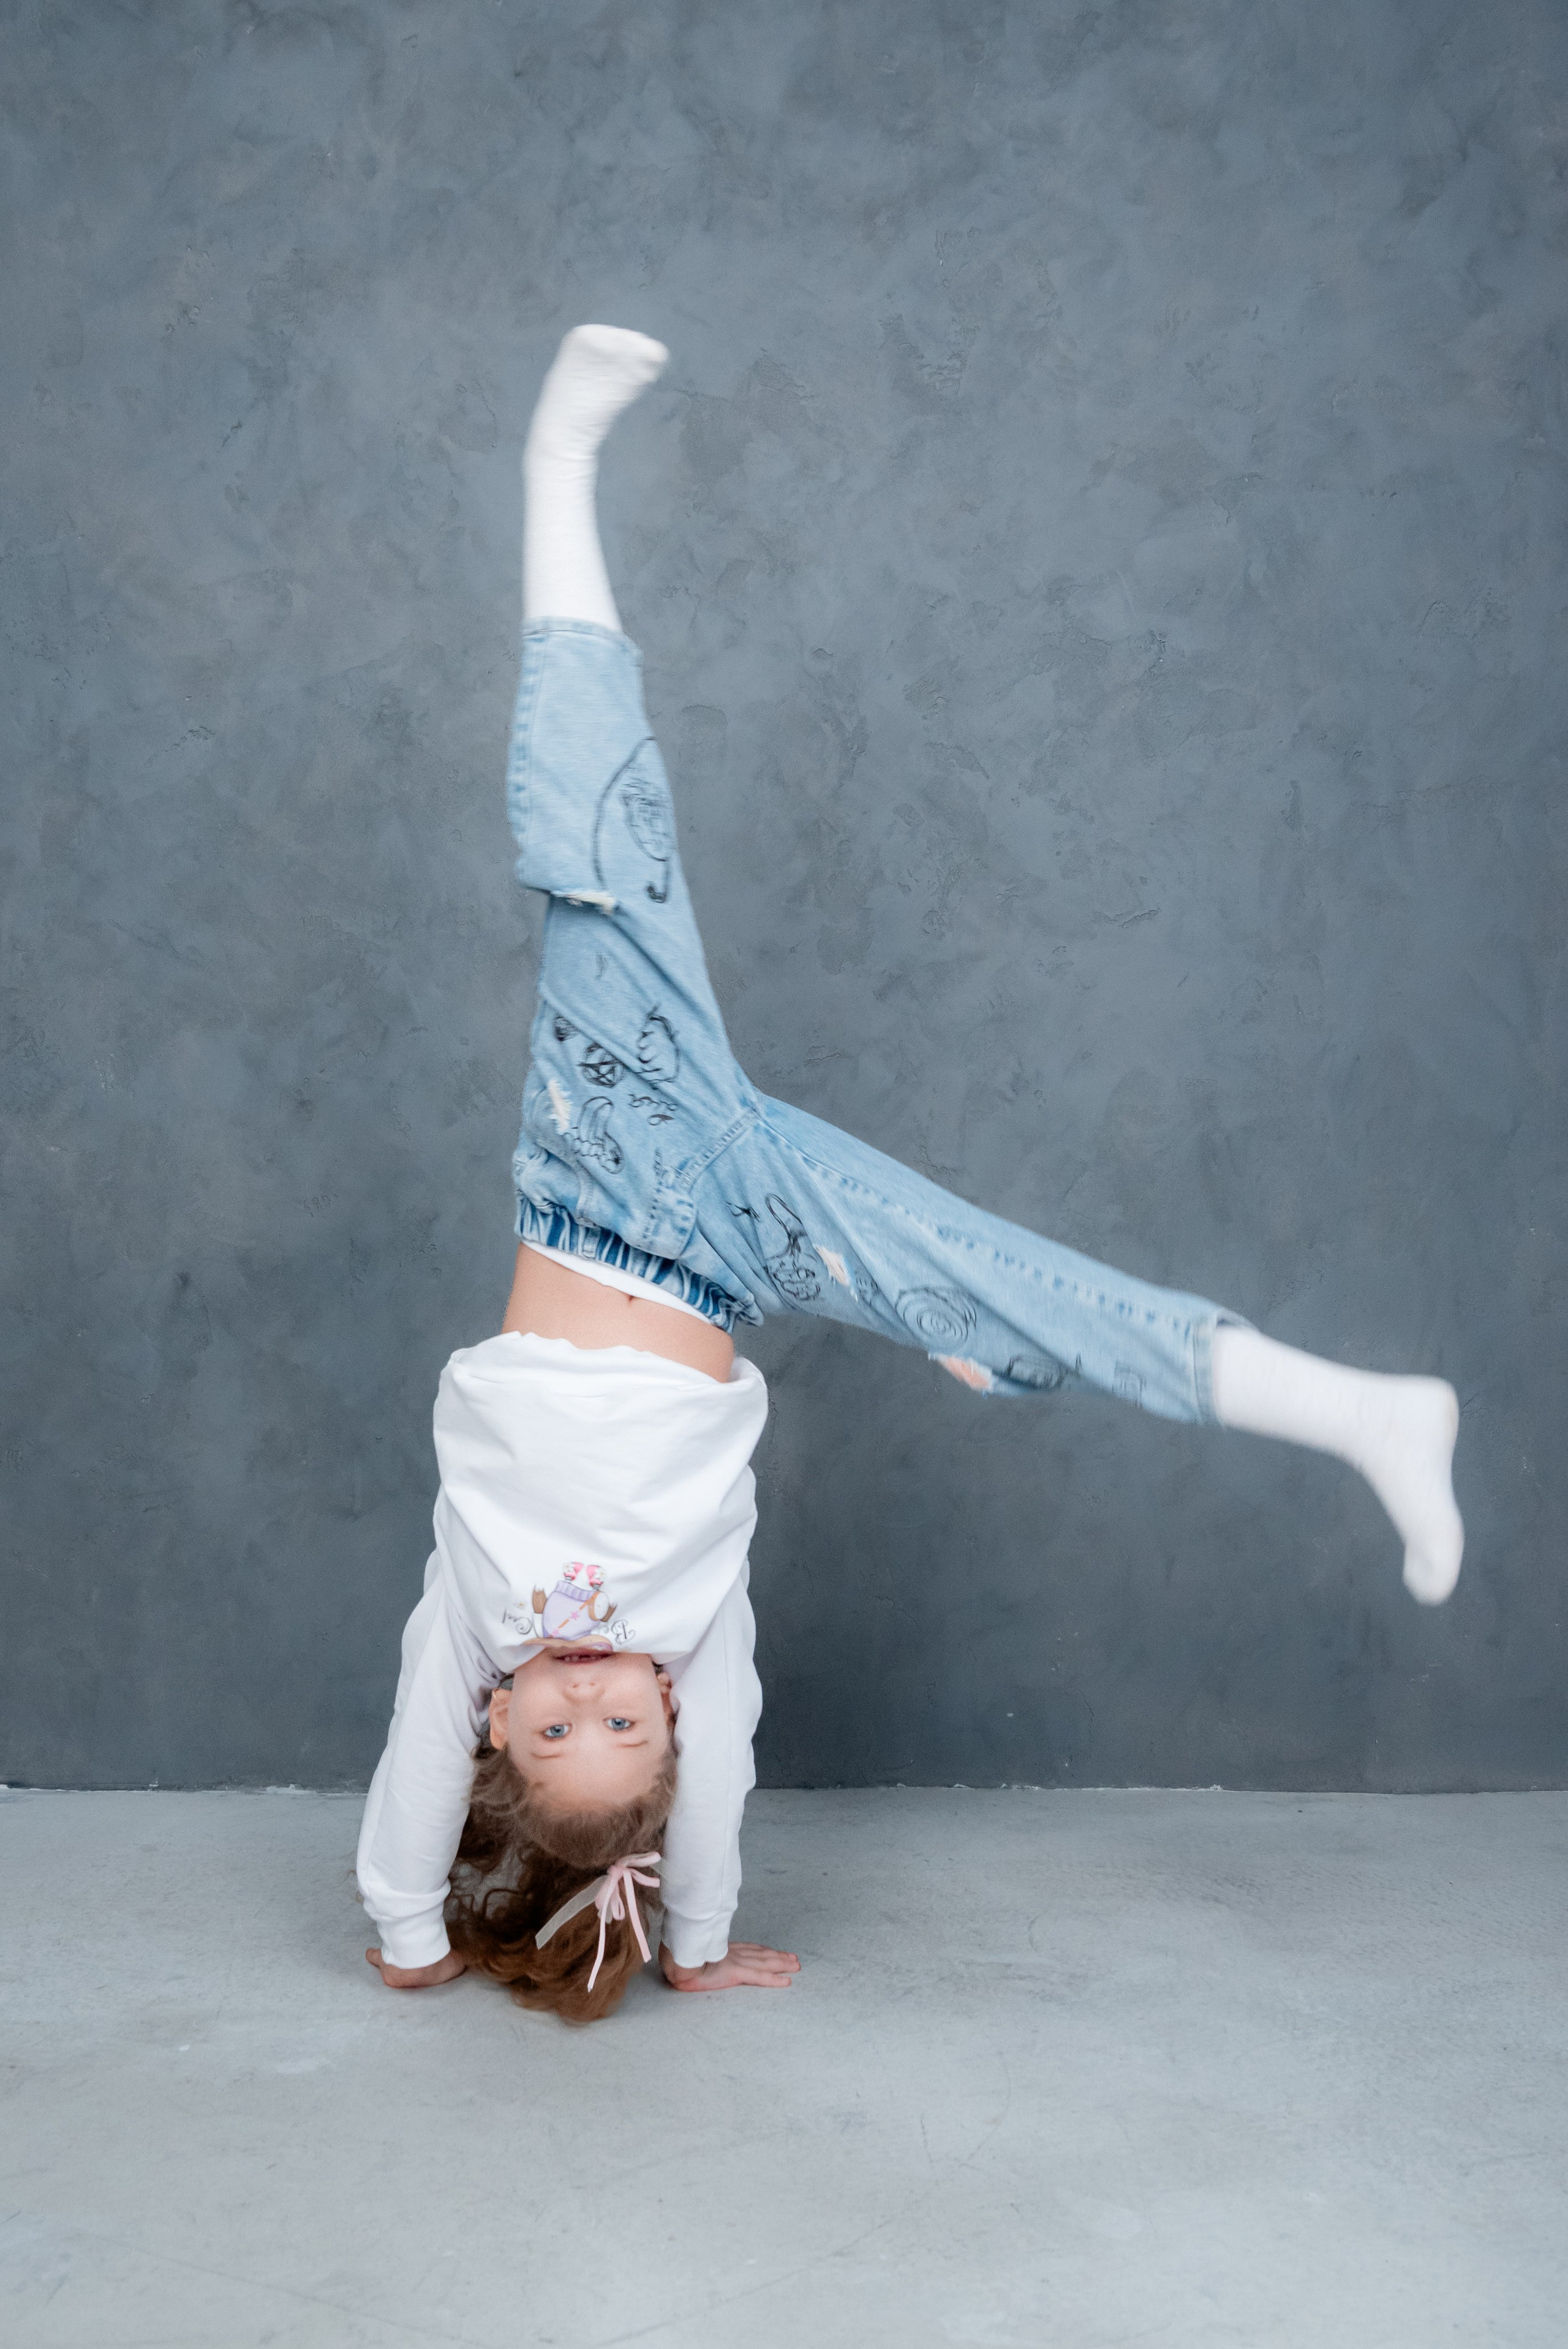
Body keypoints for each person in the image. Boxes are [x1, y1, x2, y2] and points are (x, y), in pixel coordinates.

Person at [358, 327, 1464, 2023]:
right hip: (744, 1249)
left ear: (498, 1727)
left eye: (555, 1724)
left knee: (588, 843)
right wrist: (700, 1943)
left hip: (600, 1161)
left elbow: (414, 1785)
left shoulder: (473, 1622)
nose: (594, 1691)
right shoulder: (694, 1650)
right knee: (1024, 1289)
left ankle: (558, 469)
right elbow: (711, 1787)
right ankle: (1363, 1413)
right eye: (620, 1727)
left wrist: (411, 1931)